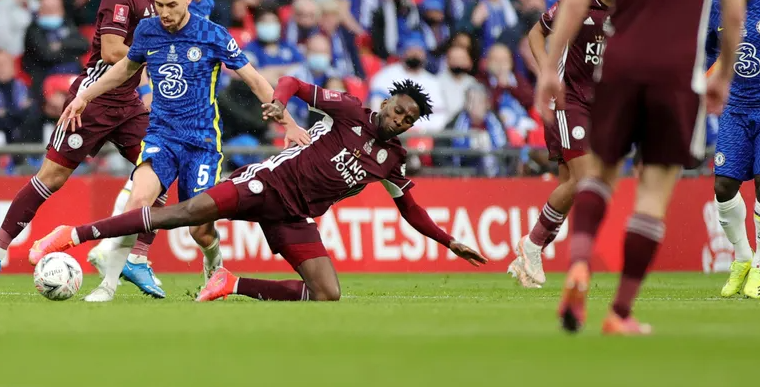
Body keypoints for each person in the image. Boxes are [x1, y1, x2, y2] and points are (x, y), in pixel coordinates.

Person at [536, 0, 748, 336]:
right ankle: (620, 312)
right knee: (652, 193)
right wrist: (722, 73)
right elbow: (734, 13)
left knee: (598, 177)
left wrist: (549, 69)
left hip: (620, 65)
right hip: (675, 73)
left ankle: (580, 262)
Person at [31, 76, 487, 302]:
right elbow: (290, 83)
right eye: (398, 109)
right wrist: (280, 106)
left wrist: (449, 242)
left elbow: (410, 209)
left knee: (327, 294)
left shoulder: (393, 160)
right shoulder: (349, 111)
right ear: (386, 101)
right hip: (265, 184)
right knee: (182, 215)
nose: (400, 119)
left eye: (408, 119)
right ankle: (75, 234)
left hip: (295, 216)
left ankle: (230, 282)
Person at [35, 0, 309, 301]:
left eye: (172, 5)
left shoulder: (212, 34)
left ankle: (215, 264)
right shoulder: (148, 30)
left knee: (200, 230)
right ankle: (107, 285)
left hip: (202, 144)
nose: (165, 13)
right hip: (161, 137)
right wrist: (84, 96)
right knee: (138, 202)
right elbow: (124, 68)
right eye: (160, 4)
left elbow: (253, 79)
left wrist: (289, 122)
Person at [0, 0, 164, 297]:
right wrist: (154, 58)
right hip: (93, 101)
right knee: (51, 178)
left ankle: (136, 258)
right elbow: (111, 52)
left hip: (128, 104)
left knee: (160, 172)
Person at [86, 0, 219, 282]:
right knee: (145, 183)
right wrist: (145, 89)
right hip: (163, 120)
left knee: (199, 229)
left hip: (199, 125)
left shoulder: (207, 10)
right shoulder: (157, 6)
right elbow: (143, 55)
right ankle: (124, 254)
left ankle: (211, 258)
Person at [508, 0, 612, 289]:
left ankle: (528, 255)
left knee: (571, 183)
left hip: (603, 105)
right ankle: (532, 245)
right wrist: (546, 73)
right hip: (570, 100)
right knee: (585, 179)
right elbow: (537, 32)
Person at [707, 0, 760, 298]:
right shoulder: (717, 8)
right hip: (735, 109)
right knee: (724, 186)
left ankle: (759, 268)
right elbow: (707, 52)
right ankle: (743, 257)